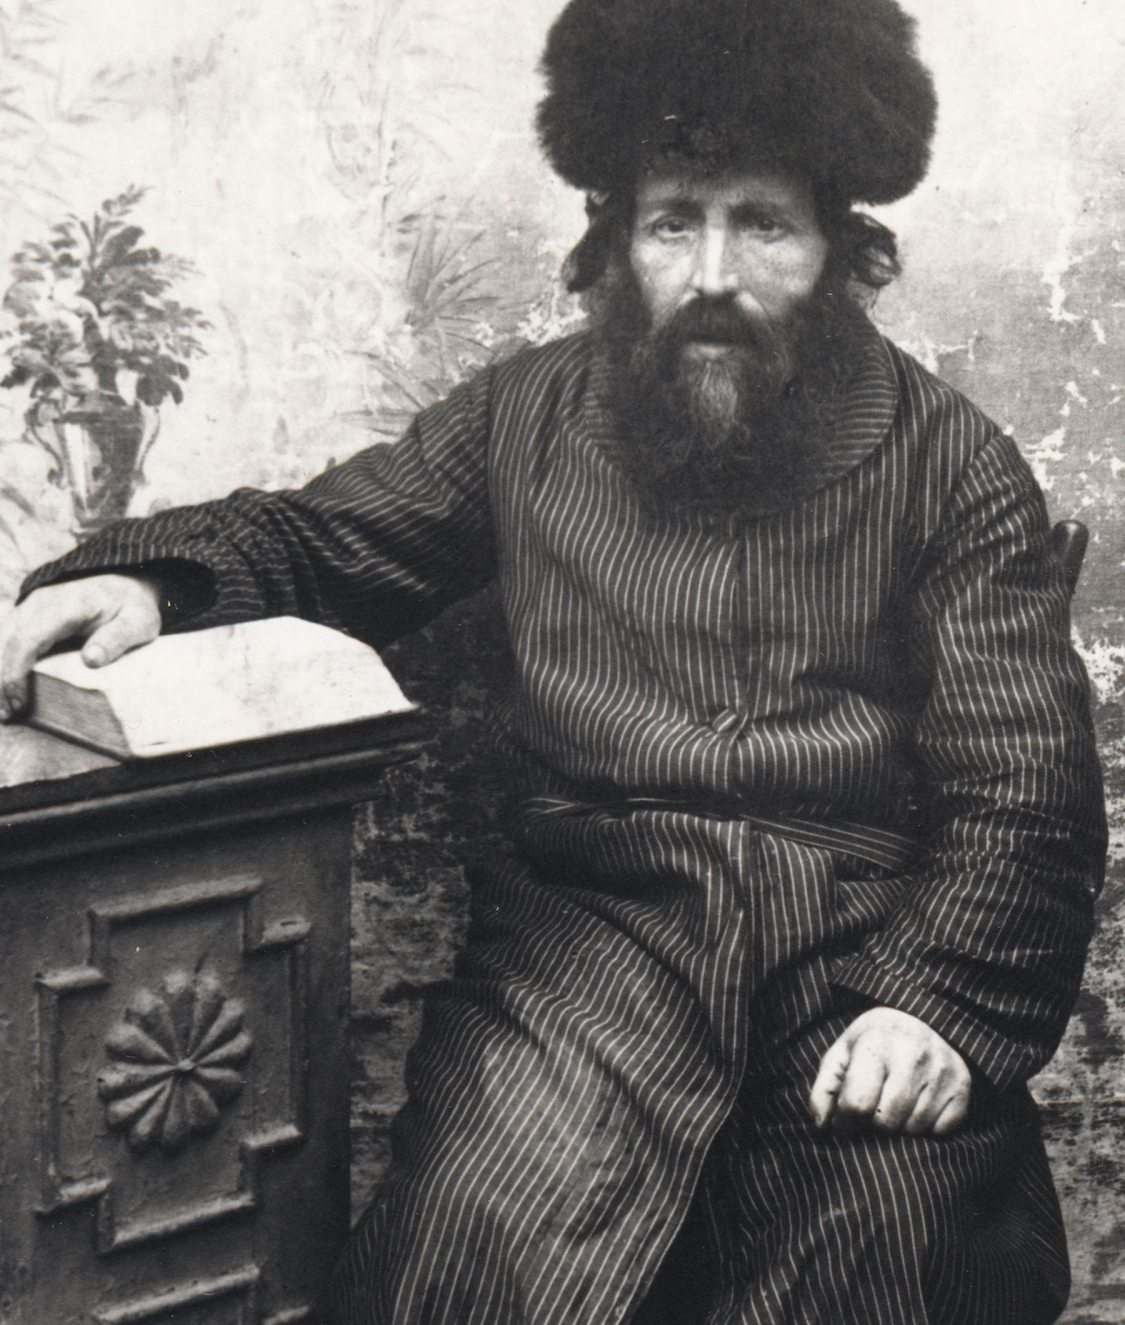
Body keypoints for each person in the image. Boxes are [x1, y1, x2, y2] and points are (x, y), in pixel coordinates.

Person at [0, 0, 1107, 1321]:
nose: (712, 273)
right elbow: (321, 541)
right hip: (586, 956)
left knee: (888, 1250)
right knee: (477, 1244)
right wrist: (148, 576)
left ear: (836, 246)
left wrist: (932, 1004)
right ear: (616, 240)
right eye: (673, 221)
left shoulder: (951, 463)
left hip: (855, 955)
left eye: (762, 223)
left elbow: (1021, 790)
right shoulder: (524, 419)